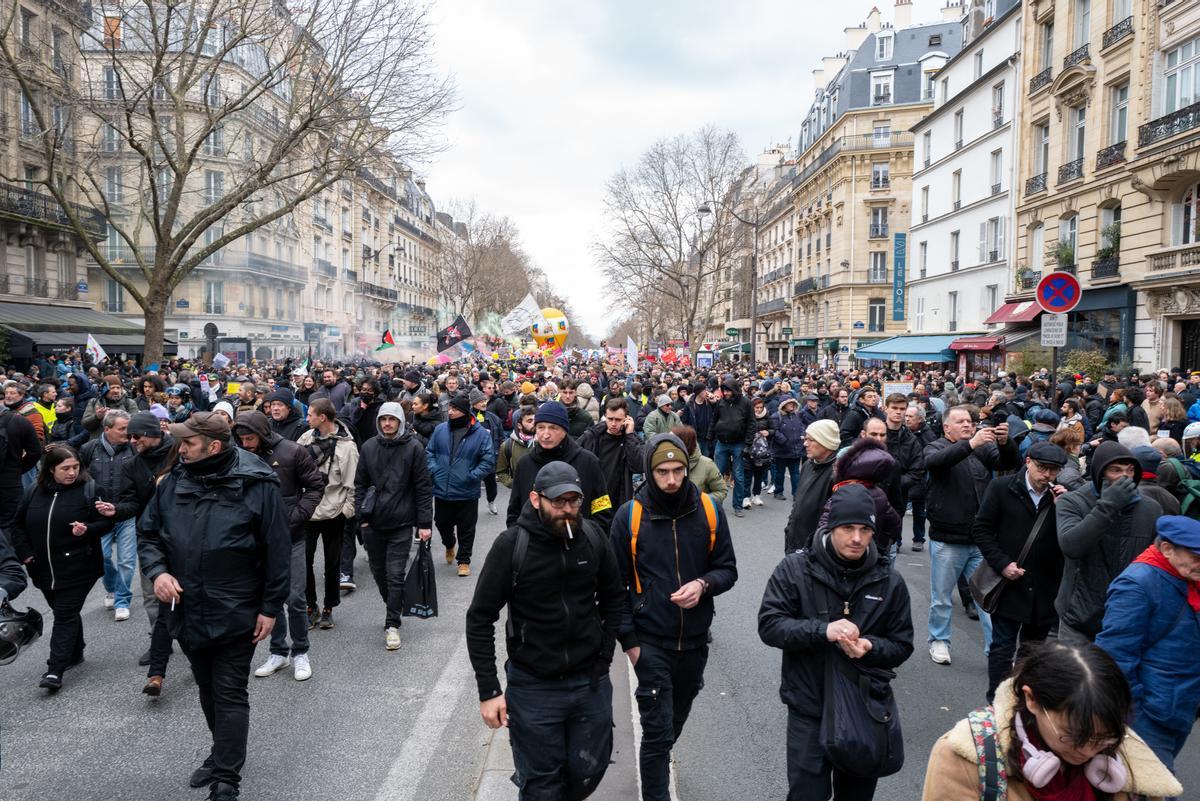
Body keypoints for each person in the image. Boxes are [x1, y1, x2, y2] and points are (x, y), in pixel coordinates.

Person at [137, 412, 289, 801]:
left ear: (213, 446)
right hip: (186, 608)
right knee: (206, 686)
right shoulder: (171, 483)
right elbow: (149, 533)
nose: (180, 448)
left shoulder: (258, 484)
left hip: (237, 608)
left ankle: (226, 779)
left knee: (229, 691)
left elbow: (277, 551)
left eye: (187, 443)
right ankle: (221, 752)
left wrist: (270, 608)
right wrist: (157, 573)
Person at [466, 462, 630, 800]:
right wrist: (489, 690)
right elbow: (480, 617)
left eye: (574, 501)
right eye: (558, 502)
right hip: (534, 686)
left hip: (589, 681)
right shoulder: (512, 545)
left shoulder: (593, 537)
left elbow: (615, 598)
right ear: (536, 499)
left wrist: (604, 657)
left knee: (588, 771)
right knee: (542, 785)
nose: (567, 510)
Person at [759, 483, 914, 801]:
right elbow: (770, 625)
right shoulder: (795, 569)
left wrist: (870, 646)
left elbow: (901, 644)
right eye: (847, 528)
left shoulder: (889, 581)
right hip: (809, 706)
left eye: (865, 529)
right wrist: (823, 631)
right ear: (831, 527)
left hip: (865, 709)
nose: (857, 538)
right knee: (806, 795)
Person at [610, 433, 738, 801]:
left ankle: (663, 753)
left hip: (696, 642)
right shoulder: (630, 516)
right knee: (657, 735)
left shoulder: (709, 511)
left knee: (672, 724)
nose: (670, 479)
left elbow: (727, 570)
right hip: (651, 643)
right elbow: (614, 586)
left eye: (678, 470)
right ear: (650, 472)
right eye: (662, 471)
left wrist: (703, 585)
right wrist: (631, 645)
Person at [921, 641, 1182, 801]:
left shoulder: (1130, 761)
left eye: (1102, 739)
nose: (1088, 751)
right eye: (1072, 735)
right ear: (1032, 700)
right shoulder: (967, 757)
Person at [971, 441, 1069, 703]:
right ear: (1028, 462)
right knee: (1002, 647)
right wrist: (1002, 563)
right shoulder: (1003, 488)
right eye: (1042, 468)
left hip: (1046, 585)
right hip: (1010, 583)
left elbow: (1071, 540)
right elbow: (982, 529)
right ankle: (996, 701)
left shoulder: (1064, 497)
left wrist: (1065, 510)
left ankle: (1020, 702)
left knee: (1032, 652)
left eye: (1054, 470)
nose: (1047, 475)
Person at [923, 405, 1021, 665]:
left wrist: (1004, 442)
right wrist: (970, 445)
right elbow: (935, 463)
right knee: (941, 598)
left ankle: (996, 649)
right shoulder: (936, 446)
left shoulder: (982, 449)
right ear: (947, 427)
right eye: (961, 421)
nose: (969, 424)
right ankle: (939, 641)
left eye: (971, 420)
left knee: (987, 598)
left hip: (979, 540)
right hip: (947, 538)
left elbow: (1010, 462)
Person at [10, 444, 111, 691]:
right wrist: (26, 556)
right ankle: (75, 651)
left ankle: (55, 669)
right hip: (42, 568)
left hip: (79, 567)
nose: (72, 472)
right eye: (65, 468)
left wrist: (88, 529)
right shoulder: (34, 491)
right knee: (63, 611)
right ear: (51, 469)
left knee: (64, 614)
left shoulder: (90, 489)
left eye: (76, 467)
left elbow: (106, 522)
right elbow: (17, 526)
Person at [234, 412, 325, 681]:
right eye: (242, 438)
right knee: (268, 597)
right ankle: (278, 652)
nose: (245, 443)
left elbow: (315, 487)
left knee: (295, 597)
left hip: (291, 537)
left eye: (250, 438)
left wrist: (296, 517)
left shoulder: (293, 451)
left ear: (262, 434)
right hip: (256, 539)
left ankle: (301, 652)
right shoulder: (238, 454)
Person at [1055, 441, 1162, 644]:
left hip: (1126, 619)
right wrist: (1108, 506)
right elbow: (1071, 546)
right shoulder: (1073, 502)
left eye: (1130, 470)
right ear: (1100, 473)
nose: (1125, 476)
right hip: (1079, 617)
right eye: (1116, 470)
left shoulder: (1150, 509)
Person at [353, 402, 433, 650]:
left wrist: (424, 523)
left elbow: (422, 487)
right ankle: (394, 605)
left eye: (392, 419)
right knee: (380, 574)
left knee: (396, 574)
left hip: (401, 522)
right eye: (383, 419)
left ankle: (392, 625)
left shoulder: (414, 448)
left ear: (400, 421)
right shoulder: (368, 447)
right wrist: (361, 517)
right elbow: (360, 484)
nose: (387, 423)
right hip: (373, 522)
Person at [114, 411, 176, 679]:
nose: (132, 441)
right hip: (149, 535)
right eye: (129, 436)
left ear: (154, 434)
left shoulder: (178, 453)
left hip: (183, 533)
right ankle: (159, 640)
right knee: (152, 592)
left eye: (136, 436)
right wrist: (114, 510)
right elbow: (131, 502)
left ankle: (193, 636)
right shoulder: (132, 465)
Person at [297, 399, 359, 629]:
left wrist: (346, 511)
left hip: (334, 512)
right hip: (307, 512)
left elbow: (353, 484)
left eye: (311, 415)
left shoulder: (346, 447)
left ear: (322, 417)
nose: (307, 418)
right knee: (304, 561)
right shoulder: (306, 438)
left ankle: (328, 607)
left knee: (332, 564)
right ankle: (309, 606)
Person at [505, 401, 610, 532]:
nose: (546, 434)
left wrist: (588, 540)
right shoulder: (525, 464)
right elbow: (514, 512)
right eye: (541, 427)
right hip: (535, 548)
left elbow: (602, 509)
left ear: (565, 430)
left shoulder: (589, 462)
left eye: (553, 428)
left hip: (578, 546)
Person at [427, 393, 495, 577]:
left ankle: (464, 560)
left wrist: (472, 476)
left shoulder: (480, 433)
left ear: (465, 412)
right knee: (441, 523)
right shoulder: (440, 429)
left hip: (467, 491)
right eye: (450, 408)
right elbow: (430, 452)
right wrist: (434, 470)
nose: (450, 412)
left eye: (455, 409)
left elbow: (488, 460)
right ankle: (449, 544)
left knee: (467, 528)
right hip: (442, 489)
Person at [78, 409, 136, 622]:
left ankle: (122, 600)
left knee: (127, 561)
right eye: (122, 429)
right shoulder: (88, 448)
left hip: (126, 512)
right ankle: (111, 588)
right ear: (107, 428)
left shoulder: (134, 448)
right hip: (98, 515)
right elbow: (78, 475)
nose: (127, 433)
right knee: (102, 557)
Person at [782, 419, 839, 553]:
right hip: (794, 542)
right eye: (805, 439)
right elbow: (798, 503)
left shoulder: (837, 475)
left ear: (826, 442)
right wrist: (789, 529)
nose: (805, 443)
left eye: (811, 440)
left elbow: (833, 521)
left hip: (815, 550)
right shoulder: (808, 465)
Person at [577, 397, 644, 511]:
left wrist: (629, 436)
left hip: (619, 500)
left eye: (618, 419)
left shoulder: (631, 439)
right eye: (610, 419)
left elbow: (638, 466)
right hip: (595, 498)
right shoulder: (592, 436)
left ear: (626, 419)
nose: (613, 424)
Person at [708, 377, 754, 517]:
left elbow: (752, 423)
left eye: (728, 390)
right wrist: (710, 436)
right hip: (722, 442)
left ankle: (738, 506)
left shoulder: (746, 403)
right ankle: (714, 504)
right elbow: (714, 419)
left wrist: (748, 444)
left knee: (738, 476)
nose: (726, 393)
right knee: (716, 475)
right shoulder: (721, 402)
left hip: (738, 443)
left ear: (734, 390)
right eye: (724, 390)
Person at [672, 424, 727, 503]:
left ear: (683, 444)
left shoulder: (707, 464)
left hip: (696, 512)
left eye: (671, 441)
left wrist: (700, 501)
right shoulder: (664, 463)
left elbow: (721, 491)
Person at [470, 388, 503, 516]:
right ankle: (471, 506)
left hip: (489, 456)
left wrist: (498, 451)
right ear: (473, 403)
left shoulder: (494, 418)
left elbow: (500, 437)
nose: (483, 403)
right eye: (480, 401)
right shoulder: (468, 418)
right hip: (472, 456)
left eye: (484, 400)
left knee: (491, 484)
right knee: (472, 482)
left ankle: (491, 501)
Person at [81, 376, 139, 441]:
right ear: (104, 389)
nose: (116, 391)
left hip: (123, 444)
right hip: (99, 445)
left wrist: (117, 418)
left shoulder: (129, 403)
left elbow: (135, 424)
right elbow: (85, 424)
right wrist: (97, 417)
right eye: (112, 388)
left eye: (118, 388)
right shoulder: (94, 402)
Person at [770, 397, 806, 501]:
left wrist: (802, 437)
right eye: (790, 403)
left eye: (793, 403)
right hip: (782, 450)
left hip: (795, 450)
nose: (792, 405)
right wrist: (784, 441)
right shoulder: (776, 416)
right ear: (783, 405)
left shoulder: (797, 415)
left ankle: (796, 493)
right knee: (780, 472)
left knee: (795, 473)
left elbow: (801, 427)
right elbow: (774, 431)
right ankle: (778, 491)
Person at [497, 406, 536, 488]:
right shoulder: (507, 445)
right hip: (519, 495)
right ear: (519, 425)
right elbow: (501, 472)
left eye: (535, 420)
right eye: (530, 421)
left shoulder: (544, 442)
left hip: (543, 494)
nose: (534, 423)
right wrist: (514, 484)